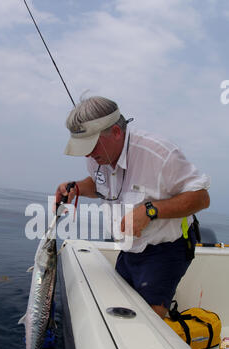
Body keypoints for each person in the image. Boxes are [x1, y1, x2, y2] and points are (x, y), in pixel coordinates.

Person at [55, 96, 210, 319]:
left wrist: (150, 211)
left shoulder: (160, 154)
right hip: (129, 247)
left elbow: (201, 198)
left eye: (92, 145)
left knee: (146, 320)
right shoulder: (98, 156)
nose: (88, 154)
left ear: (117, 132)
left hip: (166, 248)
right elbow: (101, 184)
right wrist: (77, 188)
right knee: (122, 304)